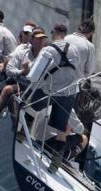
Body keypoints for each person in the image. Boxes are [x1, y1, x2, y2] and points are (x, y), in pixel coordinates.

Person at [32, 23, 80, 172]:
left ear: (53, 33)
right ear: (65, 34)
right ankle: (56, 162)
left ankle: (20, 134)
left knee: (27, 105)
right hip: (69, 92)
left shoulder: (47, 50)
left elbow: (34, 75)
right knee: (61, 130)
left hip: (51, 90)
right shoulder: (75, 50)